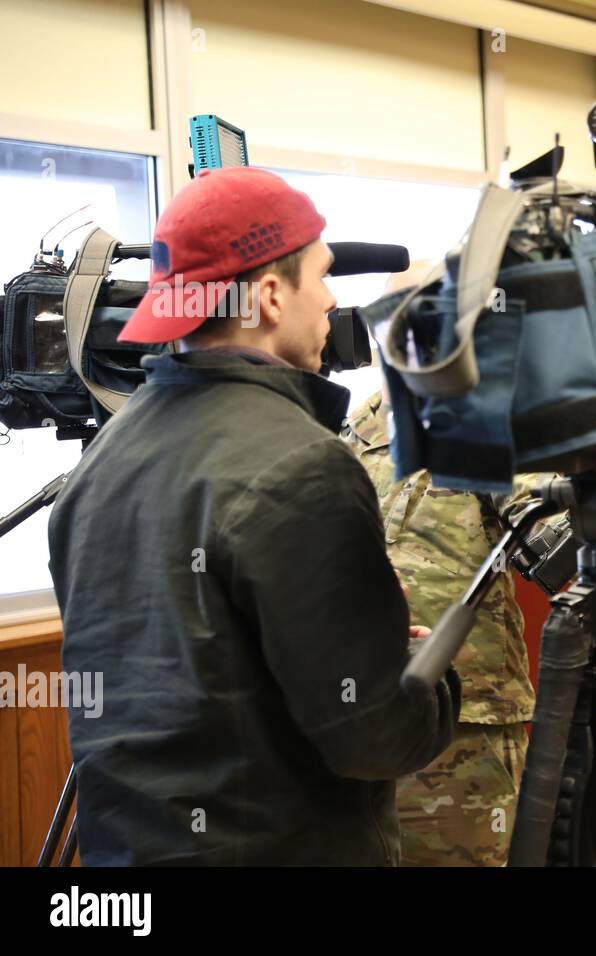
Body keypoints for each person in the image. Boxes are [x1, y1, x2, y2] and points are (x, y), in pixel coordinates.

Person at [47, 167, 459, 865]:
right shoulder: (306, 467)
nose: (331, 302)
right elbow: (374, 737)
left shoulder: (98, 463)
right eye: (321, 279)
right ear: (269, 296)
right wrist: (424, 670)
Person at [345, 390, 538, 867]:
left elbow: (546, 524)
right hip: (357, 718)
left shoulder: (498, 418)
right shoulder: (353, 426)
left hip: (464, 724)